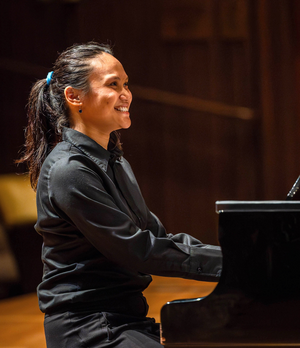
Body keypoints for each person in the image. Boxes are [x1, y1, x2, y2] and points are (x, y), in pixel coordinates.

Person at [18, 42, 222, 348]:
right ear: (74, 97)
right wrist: (236, 265)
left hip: (122, 318)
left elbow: (156, 237)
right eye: (113, 85)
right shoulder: (69, 170)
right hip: (88, 326)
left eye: (125, 84)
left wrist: (236, 258)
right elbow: (139, 250)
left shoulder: (115, 162)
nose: (125, 94)